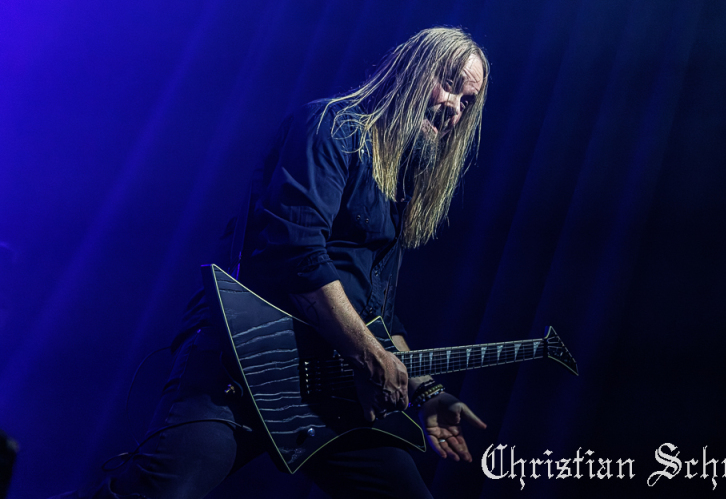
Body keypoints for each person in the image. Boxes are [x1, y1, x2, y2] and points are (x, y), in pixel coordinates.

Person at [58, 26, 489, 499]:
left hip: (327, 385)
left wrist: (426, 392)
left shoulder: (398, 187)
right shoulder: (332, 127)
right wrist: (370, 357)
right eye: (449, 84)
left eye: (467, 102)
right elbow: (296, 255)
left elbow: (377, 317)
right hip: (244, 360)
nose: (453, 107)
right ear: (411, 69)